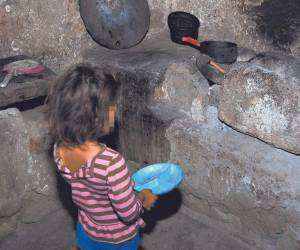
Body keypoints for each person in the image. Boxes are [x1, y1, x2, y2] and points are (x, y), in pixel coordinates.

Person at [46, 64, 157, 250]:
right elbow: (128, 213)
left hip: (87, 229)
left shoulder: (58, 149)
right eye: (112, 106)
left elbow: (89, 186)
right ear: (97, 117)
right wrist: (142, 198)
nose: (115, 110)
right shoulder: (111, 163)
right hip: (118, 239)